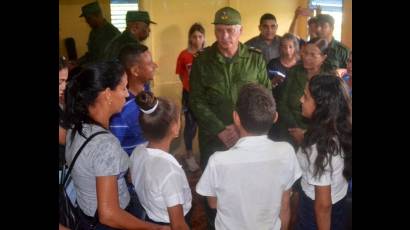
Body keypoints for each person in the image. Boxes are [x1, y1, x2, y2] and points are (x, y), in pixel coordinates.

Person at [189, 8, 271, 229]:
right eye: (219, 30)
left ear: (240, 31)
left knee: (248, 187)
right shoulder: (202, 61)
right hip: (214, 139)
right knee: (214, 191)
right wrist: (220, 128)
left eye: (230, 31)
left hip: (249, 138)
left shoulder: (255, 59)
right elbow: (195, 100)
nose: (224, 37)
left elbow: (265, 97)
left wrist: (244, 128)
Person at [63, 61, 169, 230]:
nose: (127, 95)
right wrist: (154, 228)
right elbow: (109, 214)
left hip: (86, 216)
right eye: (123, 88)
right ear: (107, 94)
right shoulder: (105, 144)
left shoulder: (77, 127)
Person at [196, 83, 302, 230]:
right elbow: (285, 206)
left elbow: (213, 203)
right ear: (275, 117)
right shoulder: (286, 152)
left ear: (236, 118)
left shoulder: (218, 161)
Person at [296, 74, 352, 230]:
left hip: (317, 215)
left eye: (306, 97)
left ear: (321, 106)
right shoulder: (340, 129)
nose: (301, 99)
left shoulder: (320, 148)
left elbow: (323, 205)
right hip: (339, 203)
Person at [130, 91, 192, 229]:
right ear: (175, 128)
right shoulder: (169, 172)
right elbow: (178, 225)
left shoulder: (138, 151)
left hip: (149, 215)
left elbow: (132, 178)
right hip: (168, 223)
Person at [277, 37, 335, 150]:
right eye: (305, 53)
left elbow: (331, 112)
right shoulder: (294, 72)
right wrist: (295, 128)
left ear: (323, 57)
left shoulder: (330, 78)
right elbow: (281, 102)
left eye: (313, 55)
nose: (307, 57)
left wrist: (308, 133)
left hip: (319, 134)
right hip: (289, 129)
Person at [110, 43, 158, 156]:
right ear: (135, 71)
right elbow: (115, 150)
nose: (155, 65)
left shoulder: (146, 89)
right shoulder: (121, 109)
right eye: (150, 63)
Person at [175, 23, 205, 172]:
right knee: (191, 127)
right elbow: (181, 74)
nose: (197, 39)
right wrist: (188, 87)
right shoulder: (184, 55)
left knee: (206, 125)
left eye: (200, 36)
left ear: (204, 38)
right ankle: (189, 155)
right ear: (190, 38)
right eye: (194, 36)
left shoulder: (208, 53)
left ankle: (205, 154)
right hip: (189, 95)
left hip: (205, 95)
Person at [77, 1, 120, 66]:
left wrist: (84, 66)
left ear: (98, 15)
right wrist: (77, 62)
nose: (86, 21)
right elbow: (91, 54)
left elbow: (104, 60)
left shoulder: (111, 33)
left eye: (88, 18)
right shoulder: (94, 32)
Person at [266, 32, 300, 102]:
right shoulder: (273, 64)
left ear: (295, 48)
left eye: (290, 47)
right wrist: (273, 82)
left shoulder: (301, 64)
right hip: (276, 102)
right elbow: (265, 85)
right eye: (284, 47)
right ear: (280, 48)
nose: (287, 50)